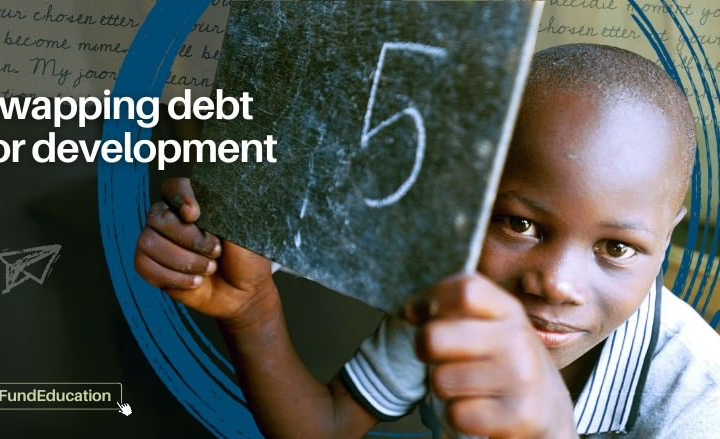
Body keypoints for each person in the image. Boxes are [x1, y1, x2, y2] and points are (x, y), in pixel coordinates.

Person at [133, 44, 720, 438]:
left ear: (668, 240)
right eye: (520, 224)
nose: (557, 284)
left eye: (616, 248)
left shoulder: (697, 394)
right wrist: (250, 309)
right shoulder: (450, 305)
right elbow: (328, 426)